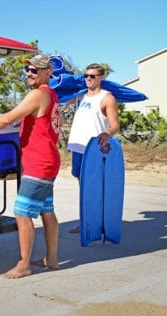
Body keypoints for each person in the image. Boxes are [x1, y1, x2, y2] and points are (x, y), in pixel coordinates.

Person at [0, 53, 61, 279]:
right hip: (47, 160)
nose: (29, 73)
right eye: (27, 69)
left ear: (47, 73)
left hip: (40, 163)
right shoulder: (52, 95)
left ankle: (24, 264)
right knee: (46, 210)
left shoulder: (39, 94)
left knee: (21, 213)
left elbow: (8, 118)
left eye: (34, 70)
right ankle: (52, 259)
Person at [66, 64, 119, 233]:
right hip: (78, 147)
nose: (88, 78)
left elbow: (115, 125)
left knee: (95, 186)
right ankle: (87, 221)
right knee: (83, 185)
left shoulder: (107, 98)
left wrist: (107, 133)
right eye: (86, 75)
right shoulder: (80, 96)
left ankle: (99, 223)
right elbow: (58, 97)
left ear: (101, 78)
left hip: (94, 150)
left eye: (92, 76)